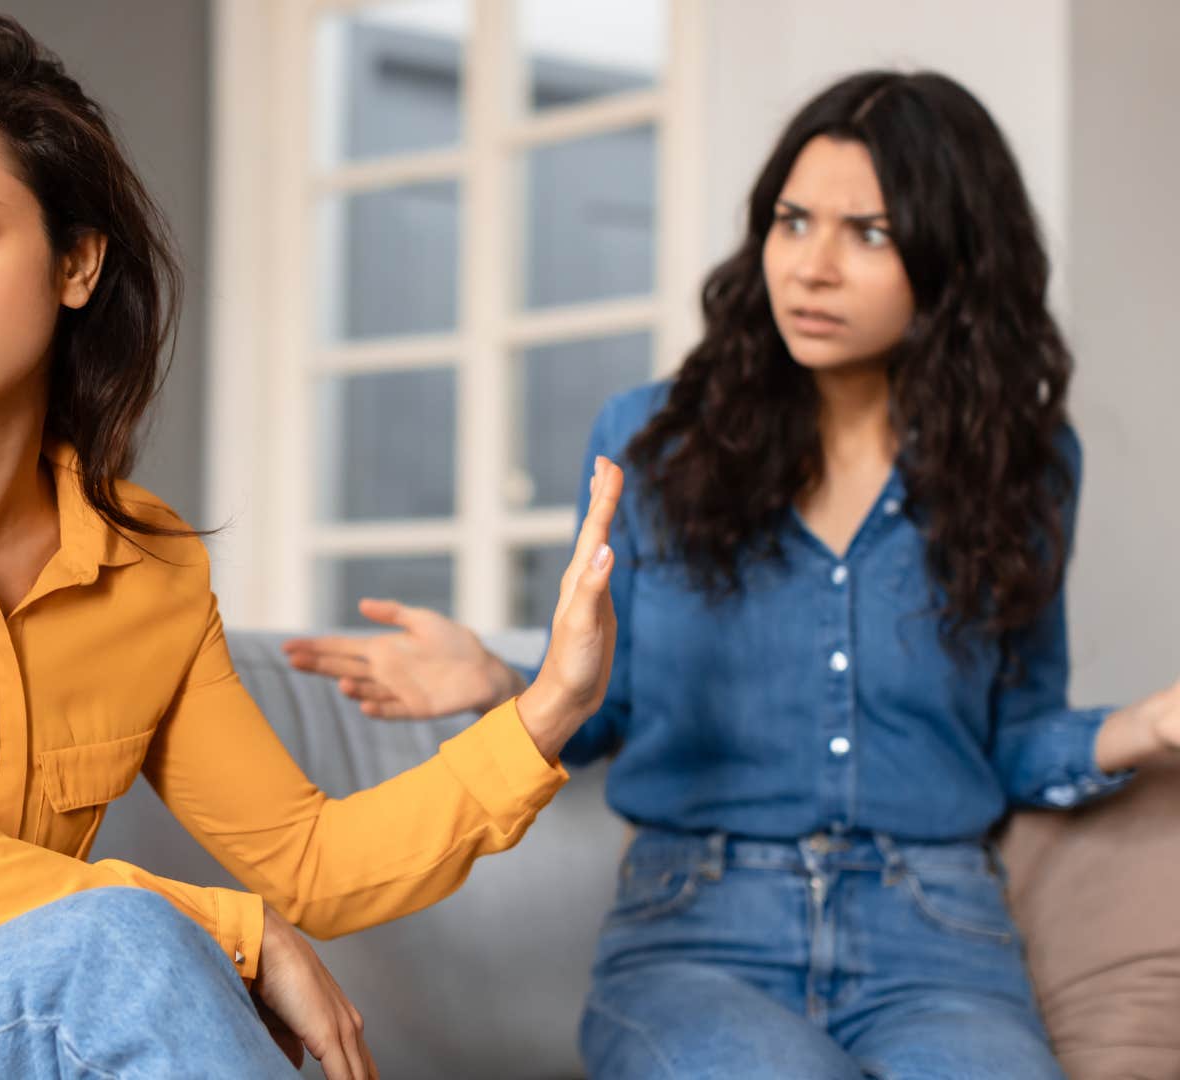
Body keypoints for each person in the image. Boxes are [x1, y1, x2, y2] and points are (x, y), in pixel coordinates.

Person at [0, 13, 626, 1080]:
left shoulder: (150, 567)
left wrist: (553, 702)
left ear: (76, 262)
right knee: (118, 944)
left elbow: (310, 861)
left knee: (119, 949)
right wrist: (240, 933)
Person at [285, 70, 1180, 1079]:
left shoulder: (1026, 462)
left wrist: (1148, 726)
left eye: (869, 235)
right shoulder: (651, 440)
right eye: (793, 223)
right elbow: (613, 704)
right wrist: (503, 680)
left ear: (955, 261)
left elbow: (1012, 738)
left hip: (938, 937)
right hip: (697, 931)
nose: (812, 268)